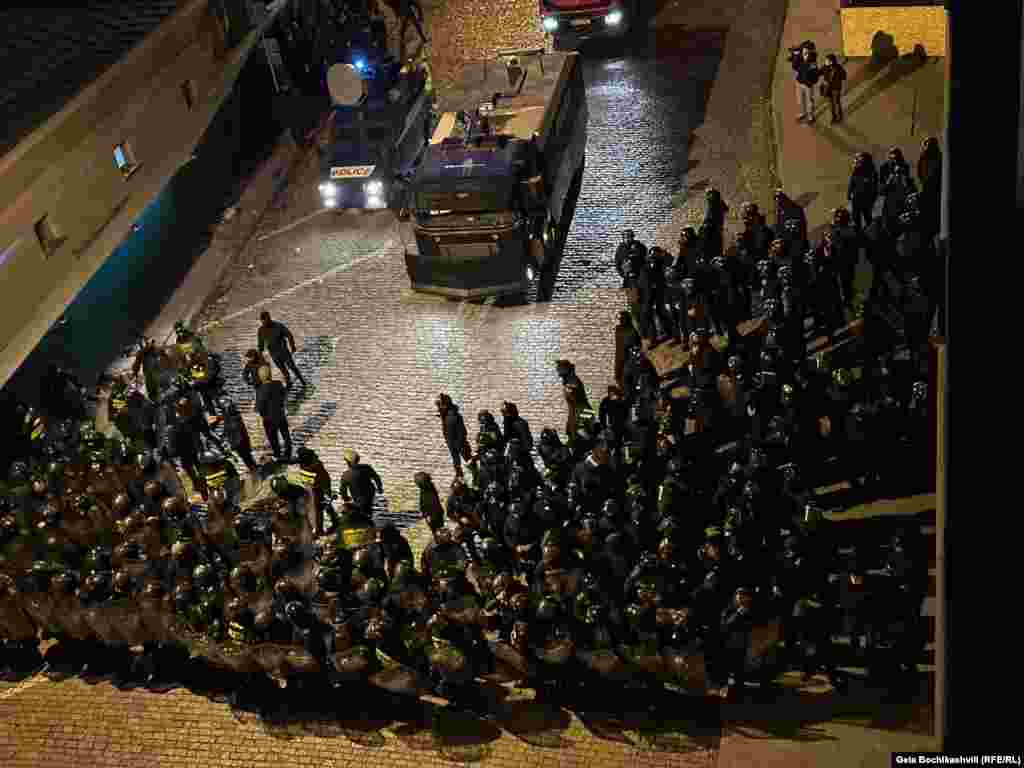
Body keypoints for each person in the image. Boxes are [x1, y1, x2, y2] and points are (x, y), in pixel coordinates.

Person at [257, 311, 306, 390]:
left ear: (269, 318)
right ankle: (288, 383)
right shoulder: (261, 331)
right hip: (274, 354)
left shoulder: (278, 326)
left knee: (292, 367)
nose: (265, 322)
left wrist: (292, 346)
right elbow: (260, 345)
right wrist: (260, 357)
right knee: (283, 370)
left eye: (267, 319)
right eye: (263, 321)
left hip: (284, 352)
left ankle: (302, 381)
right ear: (261, 321)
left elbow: (289, 335)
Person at [254, 366, 291, 461]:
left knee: (273, 438)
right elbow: (284, 394)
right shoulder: (278, 383)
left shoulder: (260, 390)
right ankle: (288, 451)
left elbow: (259, 407)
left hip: (269, 419)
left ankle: (278, 453)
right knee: (285, 433)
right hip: (280, 413)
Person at [338, 449, 384, 516]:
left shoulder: (346, 475)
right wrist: (379, 488)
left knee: (360, 509)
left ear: (348, 462)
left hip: (358, 497)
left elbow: (342, 490)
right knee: (367, 508)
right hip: (370, 494)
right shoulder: (367, 468)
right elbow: (376, 478)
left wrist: (345, 498)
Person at [437, 394, 471, 478]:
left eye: (440, 406)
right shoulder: (446, 414)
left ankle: (472, 471)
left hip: (458, 441)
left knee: (466, 457)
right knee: (455, 458)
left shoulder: (453, 417)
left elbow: (462, 431)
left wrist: (459, 442)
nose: (438, 408)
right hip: (451, 440)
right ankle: (459, 473)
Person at [221, 400, 257, 471]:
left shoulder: (232, 419)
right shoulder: (232, 418)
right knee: (246, 455)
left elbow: (232, 429)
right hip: (239, 440)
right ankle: (252, 466)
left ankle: (252, 466)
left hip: (239, 440)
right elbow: (229, 430)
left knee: (246, 455)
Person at [848, 153, 879, 232]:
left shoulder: (872, 172)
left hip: (866, 199)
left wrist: (872, 200)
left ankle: (870, 233)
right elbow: (852, 183)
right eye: (859, 159)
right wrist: (849, 194)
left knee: (867, 218)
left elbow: (874, 188)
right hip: (856, 198)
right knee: (856, 219)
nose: (859, 161)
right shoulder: (856, 170)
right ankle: (858, 233)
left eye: (861, 159)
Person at [792, 44, 819, 123]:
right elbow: (794, 67)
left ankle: (810, 115)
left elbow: (815, 73)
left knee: (809, 100)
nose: (804, 53)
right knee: (800, 100)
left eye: (806, 51)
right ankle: (802, 113)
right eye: (803, 51)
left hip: (808, 84)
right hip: (799, 82)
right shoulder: (799, 58)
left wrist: (811, 82)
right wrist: (795, 57)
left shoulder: (812, 61)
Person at [819, 54, 846, 123]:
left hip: (835, 88)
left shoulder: (838, 67)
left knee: (836, 102)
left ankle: (839, 117)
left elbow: (843, 77)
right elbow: (819, 72)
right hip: (827, 89)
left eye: (826, 60)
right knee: (830, 104)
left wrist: (837, 73)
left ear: (831, 62)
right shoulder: (824, 67)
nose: (825, 61)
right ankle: (833, 117)